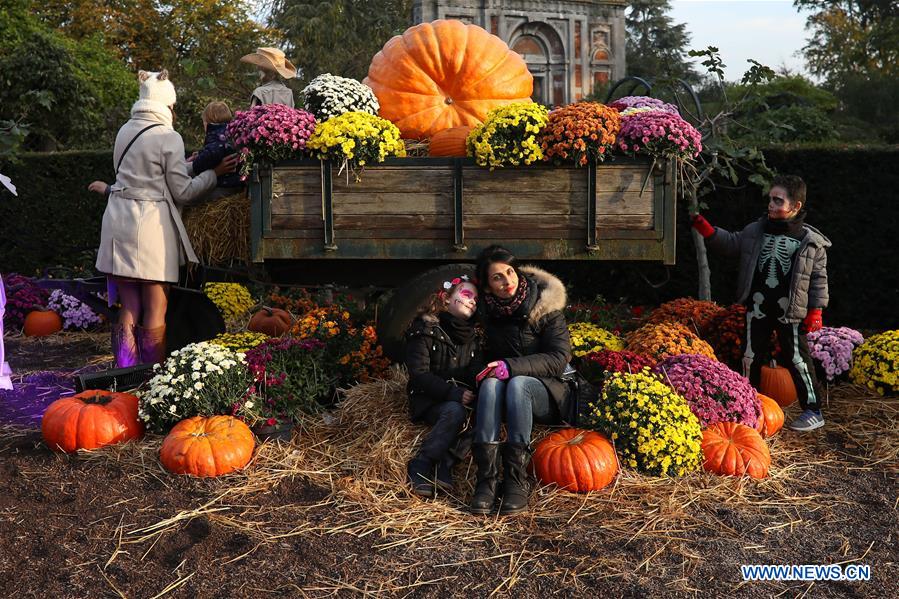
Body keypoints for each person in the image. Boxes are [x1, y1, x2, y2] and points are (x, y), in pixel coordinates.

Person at [94, 70, 237, 367]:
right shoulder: (168, 136)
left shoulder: (124, 130)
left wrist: (186, 166)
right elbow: (182, 193)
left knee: (130, 305)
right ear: (166, 104)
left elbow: (145, 174)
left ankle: (124, 374)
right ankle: (151, 379)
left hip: (118, 221)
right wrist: (214, 173)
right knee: (157, 306)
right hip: (149, 228)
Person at [692, 174, 830, 432]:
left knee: (797, 359)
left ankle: (813, 409)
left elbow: (818, 279)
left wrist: (816, 310)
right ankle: (747, 404)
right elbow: (732, 243)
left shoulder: (810, 242)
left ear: (795, 206)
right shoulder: (756, 230)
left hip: (790, 311)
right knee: (749, 356)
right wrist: (708, 231)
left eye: (778, 200)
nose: (771, 205)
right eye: (770, 199)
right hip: (757, 307)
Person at [469, 246, 571, 516]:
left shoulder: (546, 308)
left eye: (510, 272)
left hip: (546, 390)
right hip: (503, 393)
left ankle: (516, 479)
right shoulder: (486, 314)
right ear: (488, 287)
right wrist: (481, 372)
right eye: (497, 278)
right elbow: (475, 356)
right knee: (490, 383)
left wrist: (510, 367)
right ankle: (487, 479)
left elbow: (558, 358)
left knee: (518, 383)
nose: (507, 281)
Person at [405, 275, 482, 498]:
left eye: (476, 299)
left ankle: (445, 464)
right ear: (446, 299)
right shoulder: (424, 328)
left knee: (487, 413)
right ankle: (422, 463)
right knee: (454, 410)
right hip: (429, 399)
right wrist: (454, 393)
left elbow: (474, 369)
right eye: (466, 294)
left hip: (461, 397)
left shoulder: (473, 338)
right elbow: (419, 374)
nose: (472, 301)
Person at [90, 100, 243, 204]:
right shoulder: (229, 138)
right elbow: (181, 189)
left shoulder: (129, 134)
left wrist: (194, 162)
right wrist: (212, 172)